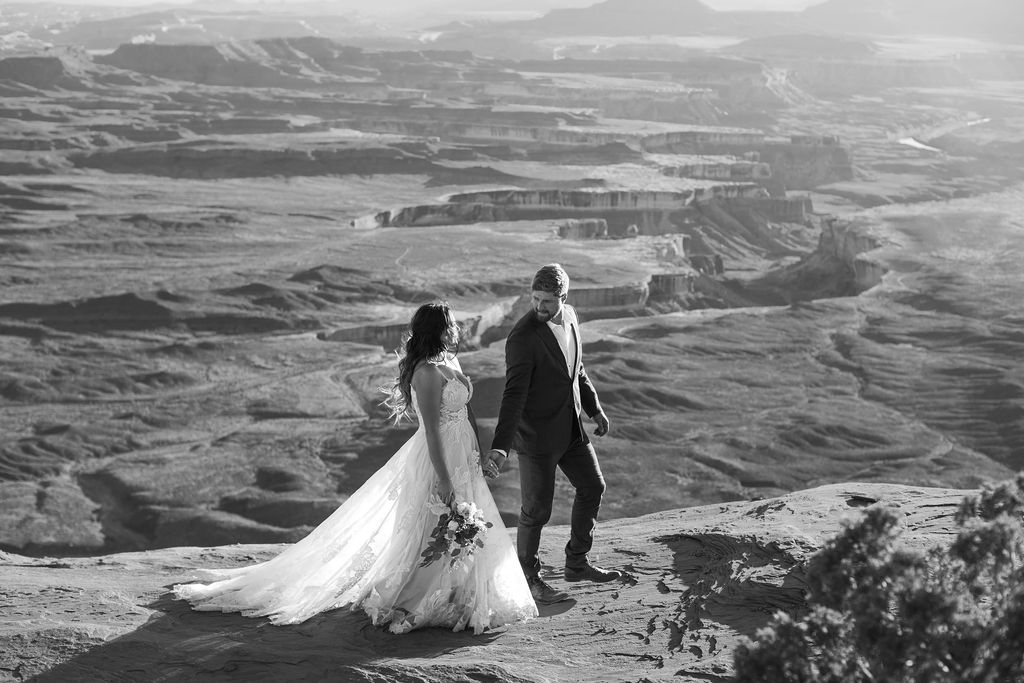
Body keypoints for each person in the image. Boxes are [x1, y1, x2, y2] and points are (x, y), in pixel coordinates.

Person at [173, 302, 537, 634]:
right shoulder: (426, 373)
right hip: (438, 456)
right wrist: (443, 476)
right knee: (432, 526)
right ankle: (411, 600)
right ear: (438, 329)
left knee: (461, 520)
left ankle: (459, 591)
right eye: (450, 325)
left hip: (465, 454)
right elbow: (431, 428)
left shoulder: (450, 361)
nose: (456, 329)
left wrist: (480, 453)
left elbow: (465, 411)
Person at [485, 264, 621, 605]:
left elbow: (577, 371)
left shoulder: (571, 316)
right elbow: (513, 395)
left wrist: (594, 409)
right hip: (537, 439)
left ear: (564, 297)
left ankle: (577, 561)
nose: (540, 307)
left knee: (593, 486)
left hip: (572, 427)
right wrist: (501, 447)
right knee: (536, 510)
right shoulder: (523, 337)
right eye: (535, 299)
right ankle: (529, 579)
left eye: (548, 301)